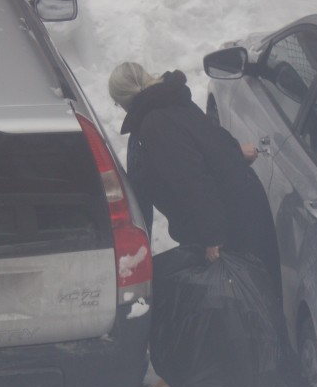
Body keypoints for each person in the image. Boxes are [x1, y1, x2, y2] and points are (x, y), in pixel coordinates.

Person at [107, 62, 277, 277]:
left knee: (247, 296)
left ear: (123, 100)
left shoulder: (155, 125)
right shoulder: (172, 99)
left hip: (231, 221)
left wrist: (213, 236)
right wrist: (235, 152)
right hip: (240, 206)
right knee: (259, 289)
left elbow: (192, 181)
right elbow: (211, 136)